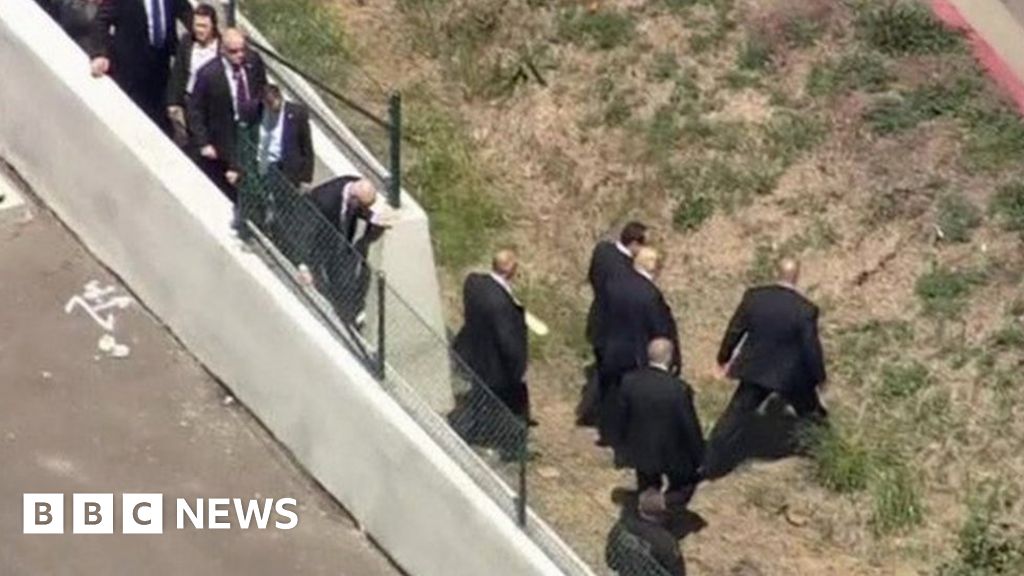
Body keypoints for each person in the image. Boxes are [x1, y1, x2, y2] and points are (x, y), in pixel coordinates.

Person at [705, 257, 828, 476]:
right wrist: (819, 377)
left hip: (756, 369)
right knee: (811, 413)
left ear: (776, 273)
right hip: (790, 375)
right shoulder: (805, 310)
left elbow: (735, 329)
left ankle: (707, 463)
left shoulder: (755, 297)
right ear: (797, 276)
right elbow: (811, 348)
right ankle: (826, 452)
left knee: (734, 416)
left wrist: (723, 358)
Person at [597, 247, 681, 447]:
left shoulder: (613, 284)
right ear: (652, 266)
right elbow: (659, 328)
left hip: (611, 348)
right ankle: (630, 438)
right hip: (637, 353)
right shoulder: (650, 294)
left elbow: (602, 316)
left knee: (610, 394)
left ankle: (608, 434)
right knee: (635, 397)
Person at [615, 338, 704, 504]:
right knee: (684, 484)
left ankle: (646, 509)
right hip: (671, 451)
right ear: (669, 357)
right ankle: (663, 505)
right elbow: (688, 426)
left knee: (647, 484)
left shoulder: (630, 381)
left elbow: (621, 415)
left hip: (640, 447)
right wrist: (699, 455)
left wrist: (622, 444)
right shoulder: (679, 389)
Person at [577, 221, 648, 428]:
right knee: (609, 378)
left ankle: (594, 411)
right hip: (613, 331)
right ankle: (596, 414)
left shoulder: (603, 251)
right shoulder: (626, 272)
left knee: (602, 371)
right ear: (634, 244)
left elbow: (593, 277)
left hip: (597, 320)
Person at [88, 0, 193, 133]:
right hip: (130, 69)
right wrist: (99, 54)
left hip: (160, 66)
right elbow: (101, 21)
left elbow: (187, 13)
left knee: (160, 122)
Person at [187, 27, 267, 201]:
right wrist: (204, 142)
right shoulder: (209, 74)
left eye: (242, 50)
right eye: (234, 51)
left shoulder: (253, 63)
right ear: (222, 50)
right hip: (224, 136)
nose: (240, 55)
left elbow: (262, 89)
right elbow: (195, 110)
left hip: (251, 132)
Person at [295, 177, 384, 325]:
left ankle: (350, 312)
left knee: (343, 273)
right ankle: (345, 313)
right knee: (328, 274)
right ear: (354, 200)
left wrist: (372, 228)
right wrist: (303, 265)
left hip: (338, 238)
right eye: (362, 206)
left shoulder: (353, 184)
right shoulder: (325, 201)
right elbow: (306, 235)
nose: (364, 211)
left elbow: (368, 214)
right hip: (317, 236)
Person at [166, 2, 220, 149]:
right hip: (187, 100)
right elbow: (178, 73)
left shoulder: (220, 49)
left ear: (213, 26)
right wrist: (173, 102)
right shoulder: (187, 42)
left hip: (208, 108)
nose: (199, 30)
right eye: (197, 25)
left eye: (204, 26)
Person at [606, 489, 687, 576]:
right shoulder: (666, 541)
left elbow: (611, 561)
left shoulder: (622, 526)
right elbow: (678, 573)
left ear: (640, 508)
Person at [256, 84, 314, 188]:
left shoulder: (297, 113)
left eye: (272, 102)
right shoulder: (260, 112)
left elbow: (307, 146)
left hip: (287, 168)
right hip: (266, 164)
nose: (271, 107)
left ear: (280, 97)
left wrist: (306, 177)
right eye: (267, 104)